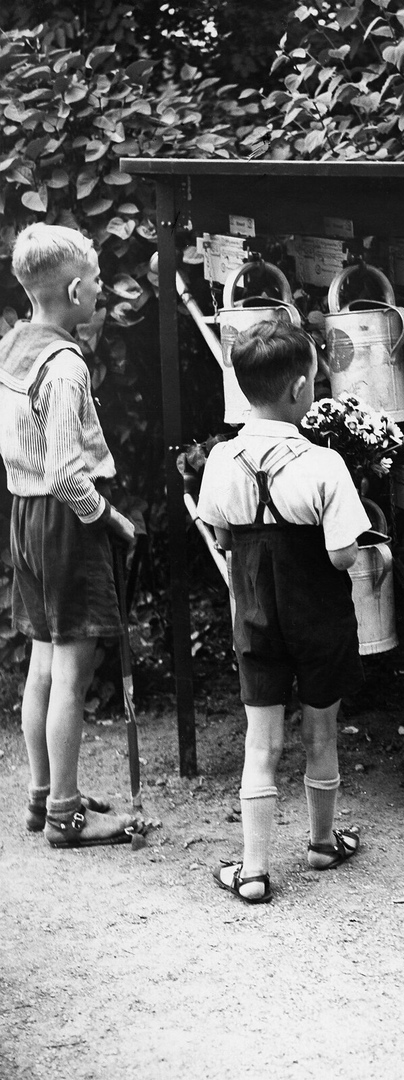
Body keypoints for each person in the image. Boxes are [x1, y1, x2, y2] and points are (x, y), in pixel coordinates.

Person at [197, 321, 371, 903]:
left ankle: (251, 871)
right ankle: (322, 844)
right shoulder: (324, 465)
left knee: (260, 743)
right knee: (322, 733)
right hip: (320, 618)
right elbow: (343, 554)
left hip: (256, 616)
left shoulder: (221, 460)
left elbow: (222, 535)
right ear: (301, 387)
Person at [0, 223, 141, 847]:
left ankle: (41, 796)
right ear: (77, 289)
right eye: (99, 283)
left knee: (42, 661)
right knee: (72, 672)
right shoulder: (63, 367)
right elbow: (64, 474)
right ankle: (66, 814)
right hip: (63, 522)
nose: (104, 290)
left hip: (23, 517)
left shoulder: (13, 345)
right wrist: (109, 519)